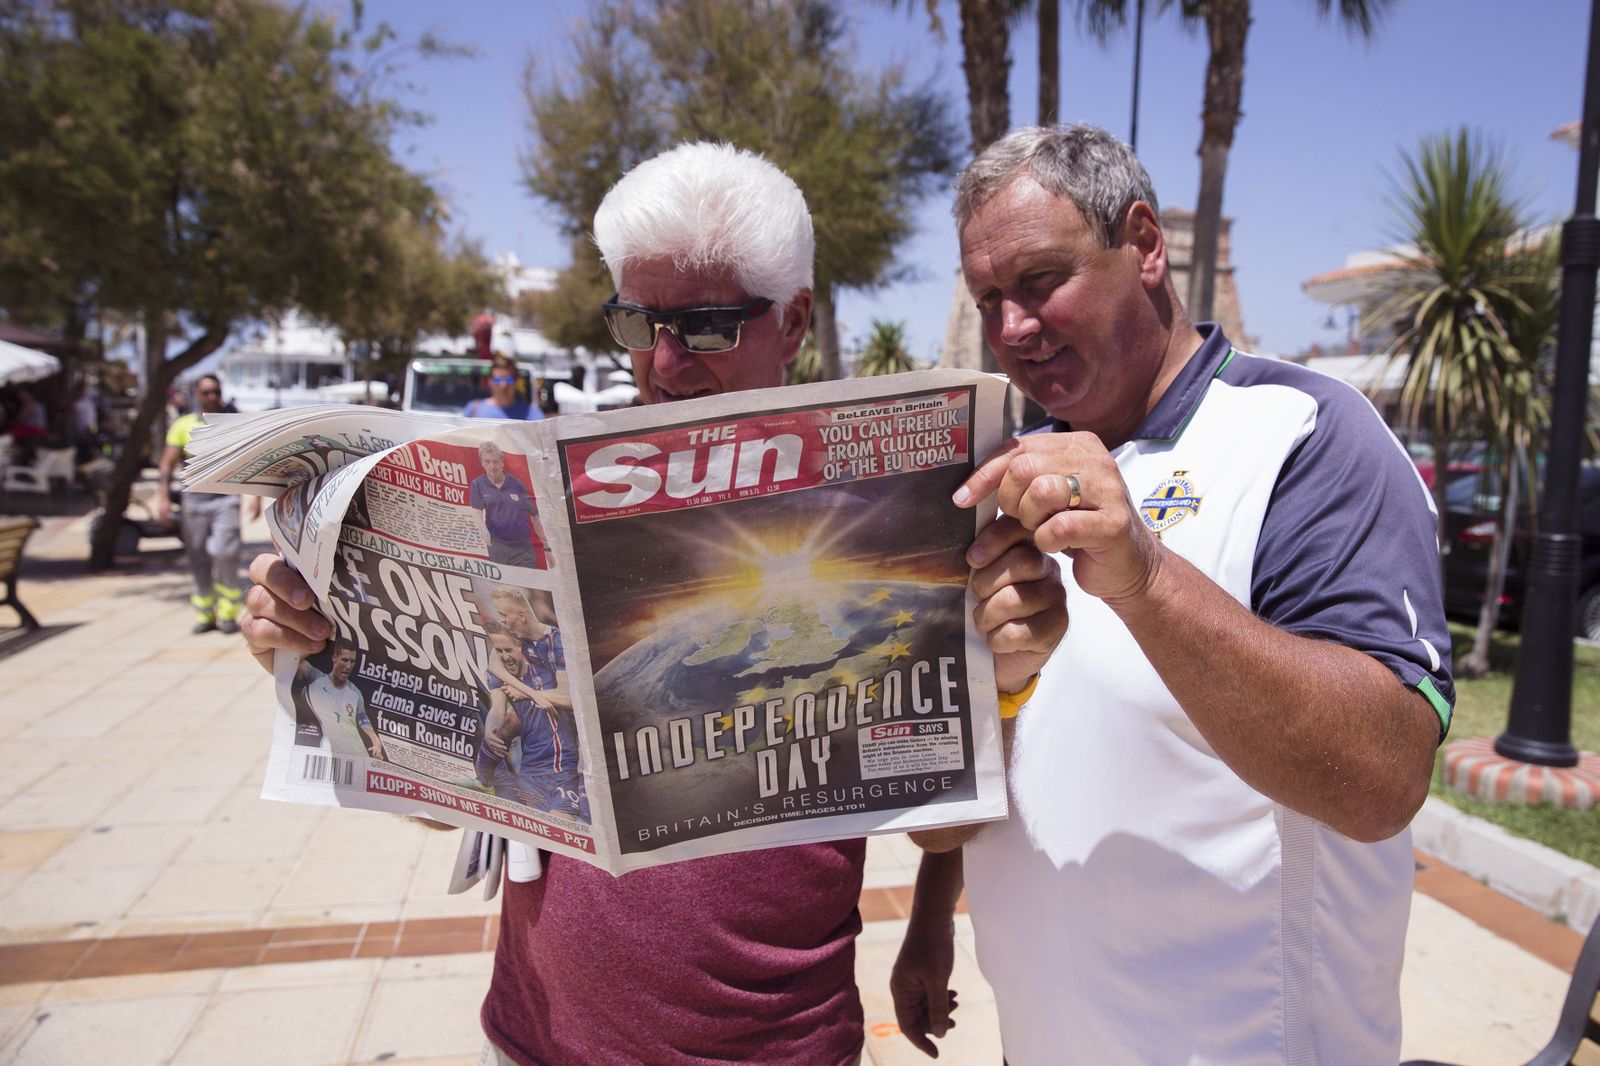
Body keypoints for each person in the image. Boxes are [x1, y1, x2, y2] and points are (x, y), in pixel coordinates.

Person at [240, 141, 1067, 1065]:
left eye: (706, 326)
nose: (664, 363)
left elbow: (942, 824)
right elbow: (457, 805)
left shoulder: (896, 499)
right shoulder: (547, 493)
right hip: (534, 1036)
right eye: (636, 324)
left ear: (794, 322)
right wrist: (325, 655)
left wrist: (1004, 687)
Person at [890, 125, 1455, 1064]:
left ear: (1144, 244)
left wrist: (1148, 581)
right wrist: (930, 913)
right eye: (990, 298)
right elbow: (1003, 761)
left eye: (1040, 281)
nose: (1013, 329)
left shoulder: (1304, 435)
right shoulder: (1008, 468)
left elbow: (1383, 779)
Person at [159, 375, 258, 634]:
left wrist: (256, 496)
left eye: (216, 391)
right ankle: (205, 613)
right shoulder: (183, 426)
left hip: (225, 499)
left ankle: (228, 612)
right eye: (206, 392)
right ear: (196, 394)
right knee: (198, 557)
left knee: (225, 553)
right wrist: (162, 498)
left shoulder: (230, 424)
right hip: (194, 499)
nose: (212, 397)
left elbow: (250, 458)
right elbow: (167, 463)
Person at [478, 622, 586, 820]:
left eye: (508, 650)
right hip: (530, 771)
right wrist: (489, 731)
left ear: (520, 646)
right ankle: (484, 778)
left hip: (563, 769)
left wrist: (531, 694)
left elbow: (570, 699)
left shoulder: (545, 668)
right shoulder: (499, 676)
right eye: (499, 651)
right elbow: (497, 709)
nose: (505, 656)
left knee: (559, 827)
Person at [294, 642, 385, 761]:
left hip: (359, 755)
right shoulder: (316, 678)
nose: (348, 666)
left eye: (352, 661)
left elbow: (363, 719)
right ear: (334, 658)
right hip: (330, 755)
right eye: (345, 660)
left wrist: (375, 740)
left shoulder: (355, 692)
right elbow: (294, 660)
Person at [470, 442, 547, 570]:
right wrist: (482, 528)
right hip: (498, 548)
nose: (492, 466)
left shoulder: (517, 485)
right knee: (505, 589)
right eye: (487, 462)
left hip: (523, 549)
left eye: (495, 461)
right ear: (482, 462)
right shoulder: (477, 484)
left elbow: (535, 516)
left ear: (502, 462)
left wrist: (547, 547)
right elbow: (477, 510)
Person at [464, 353, 543, 421]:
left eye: (509, 380)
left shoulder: (532, 414)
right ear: (489, 381)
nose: (503, 385)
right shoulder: (473, 410)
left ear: (516, 381)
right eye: (497, 380)